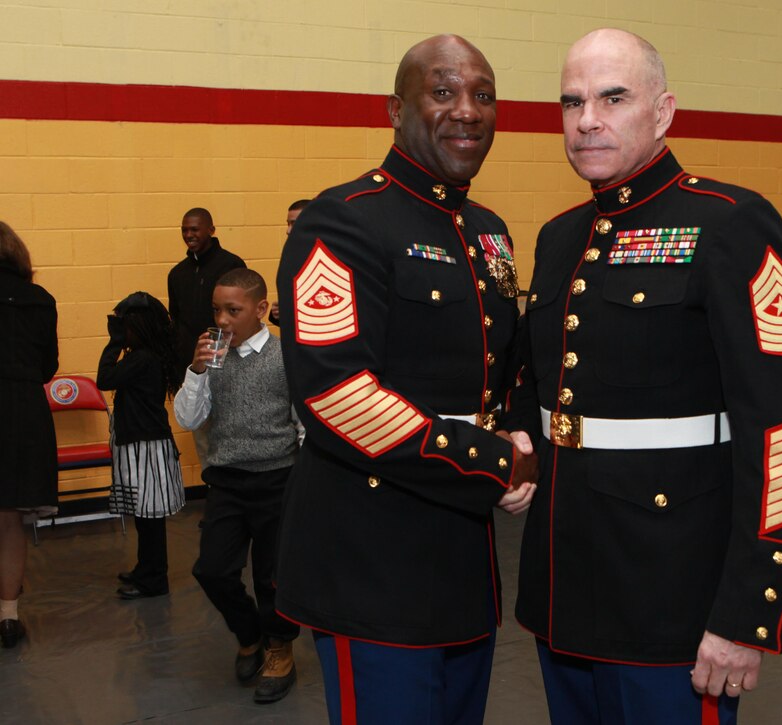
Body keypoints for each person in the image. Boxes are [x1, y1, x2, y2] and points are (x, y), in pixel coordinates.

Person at [508, 29, 782, 724]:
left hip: (673, 596)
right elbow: (542, 385)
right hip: (564, 587)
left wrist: (748, 613)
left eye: (613, 97)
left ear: (664, 111)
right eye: (571, 101)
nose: (587, 118)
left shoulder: (731, 224)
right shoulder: (560, 237)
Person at [275, 34, 537, 724]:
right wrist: (493, 460)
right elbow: (336, 391)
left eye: (484, 95)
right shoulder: (344, 220)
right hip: (372, 560)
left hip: (463, 557)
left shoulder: (489, 232)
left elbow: (504, 361)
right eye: (444, 92)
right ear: (396, 108)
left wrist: (519, 425)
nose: (468, 111)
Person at [173, 268, 302, 704]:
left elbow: (302, 424)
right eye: (216, 310)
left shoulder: (286, 357)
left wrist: (303, 480)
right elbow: (188, 419)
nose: (222, 319)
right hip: (226, 480)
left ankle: (280, 647)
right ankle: (251, 636)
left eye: (233, 310)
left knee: (273, 577)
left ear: (261, 309)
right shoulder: (213, 357)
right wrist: (195, 370)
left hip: (277, 479)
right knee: (211, 569)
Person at [96, 292, 186, 600]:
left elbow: (104, 378)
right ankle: (145, 569)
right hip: (141, 445)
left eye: (124, 326)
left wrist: (114, 342)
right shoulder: (145, 356)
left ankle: (153, 580)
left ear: (138, 327)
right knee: (145, 516)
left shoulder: (142, 358)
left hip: (146, 448)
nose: (121, 332)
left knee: (149, 518)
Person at [0, 221, 58, 649]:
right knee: (10, 518)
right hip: (24, 411)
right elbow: (47, 367)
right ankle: (8, 617)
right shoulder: (40, 299)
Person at [167, 208, 246, 377]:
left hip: (225, 361)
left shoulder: (231, 265)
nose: (188, 235)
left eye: (194, 229)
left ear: (211, 230)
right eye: (184, 230)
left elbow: (243, 314)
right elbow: (176, 318)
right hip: (190, 364)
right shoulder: (177, 273)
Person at [268, 199, 310, 327]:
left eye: (294, 224)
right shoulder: (292, 256)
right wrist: (279, 312)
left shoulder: (334, 257)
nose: (288, 230)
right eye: (288, 224)